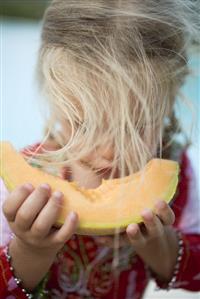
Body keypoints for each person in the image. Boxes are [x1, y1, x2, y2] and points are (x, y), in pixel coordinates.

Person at [0, 0, 200, 298]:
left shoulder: (176, 172)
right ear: (55, 100)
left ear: (169, 105)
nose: (106, 152)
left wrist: (160, 245)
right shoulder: (24, 188)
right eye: (82, 126)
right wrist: (30, 250)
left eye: (133, 127)